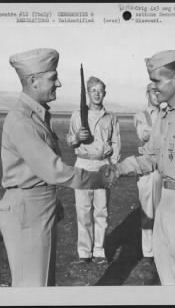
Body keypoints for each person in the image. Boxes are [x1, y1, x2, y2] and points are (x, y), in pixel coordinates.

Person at [103, 50, 175, 285]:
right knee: (168, 280)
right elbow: (150, 157)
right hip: (164, 203)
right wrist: (119, 168)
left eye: (157, 80)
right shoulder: (164, 118)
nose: (153, 86)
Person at [0, 48, 112, 287]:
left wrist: (52, 200)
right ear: (33, 81)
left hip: (38, 206)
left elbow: (37, 171)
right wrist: (99, 179)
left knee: (42, 285)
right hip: (28, 212)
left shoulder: (38, 116)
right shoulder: (23, 121)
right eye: (53, 78)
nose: (58, 83)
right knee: (32, 288)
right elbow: (53, 169)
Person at [67, 76, 121, 265]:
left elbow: (116, 143)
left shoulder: (111, 117)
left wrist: (112, 165)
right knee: (83, 211)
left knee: (101, 211)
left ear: (104, 93)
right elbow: (69, 139)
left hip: (102, 166)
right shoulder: (77, 115)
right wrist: (76, 137)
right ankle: (84, 252)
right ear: (88, 93)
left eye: (100, 90)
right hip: (83, 164)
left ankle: (99, 251)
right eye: (93, 91)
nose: (97, 94)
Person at [133, 83, 163, 264]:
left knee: (163, 209)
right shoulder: (141, 116)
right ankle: (148, 251)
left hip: (165, 167)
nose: (156, 95)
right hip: (147, 168)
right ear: (147, 94)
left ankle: (161, 248)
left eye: (159, 91)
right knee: (147, 210)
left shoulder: (168, 113)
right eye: (153, 91)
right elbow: (144, 134)